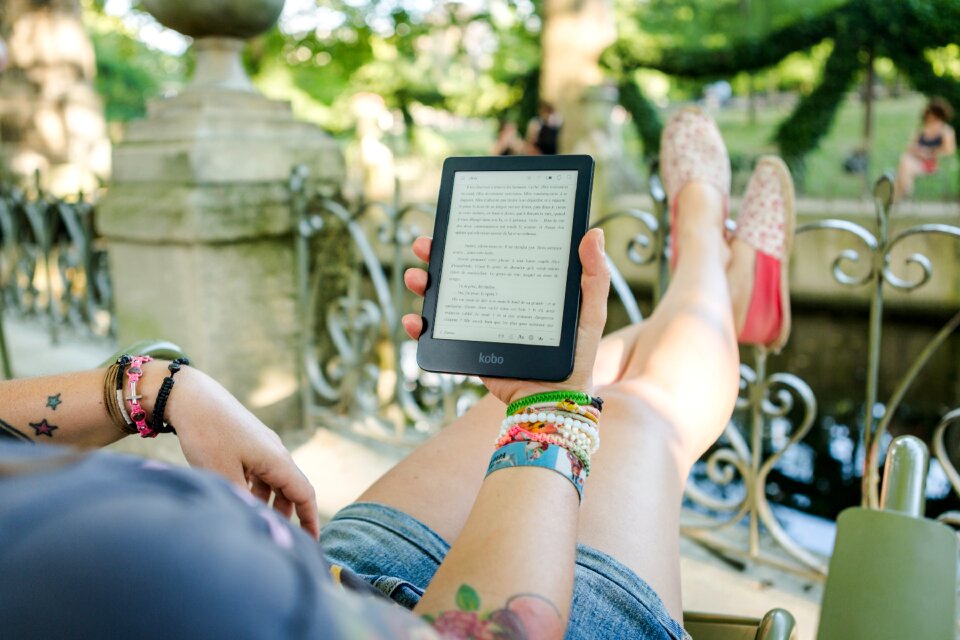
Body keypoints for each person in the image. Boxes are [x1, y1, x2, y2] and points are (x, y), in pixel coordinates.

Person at [0, 107, 795, 639]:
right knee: (641, 415)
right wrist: (550, 412)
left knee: (589, 371)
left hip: (344, 564)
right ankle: (705, 249)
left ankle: (718, 293)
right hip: (479, 621)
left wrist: (162, 389)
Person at [894, 97, 956, 201]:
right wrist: (919, 152)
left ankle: (901, 194)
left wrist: (929, 153)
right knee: (905, 160)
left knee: (904, 164)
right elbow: (910, 147)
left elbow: (948, 152)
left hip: (932, 164)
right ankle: (904, 190)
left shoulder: (946, 131)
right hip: (916, 161)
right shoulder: (922, 130)